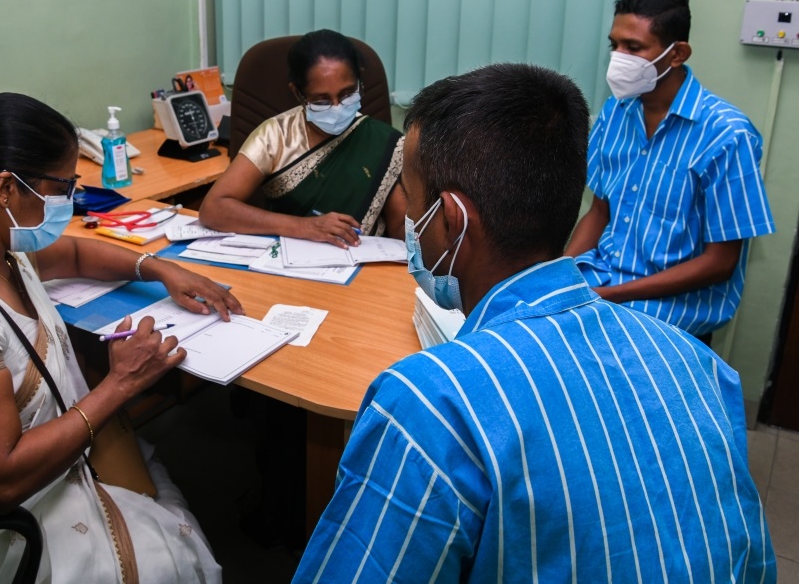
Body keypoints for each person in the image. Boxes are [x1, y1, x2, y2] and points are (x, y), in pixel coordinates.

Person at [294, 64, 775, 582]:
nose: (408, 220)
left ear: (452, 221)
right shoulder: (698, 364)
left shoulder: (429, 406)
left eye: (411, 200)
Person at [0, 92, 242, 583]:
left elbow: (77, 257)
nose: (69, 200)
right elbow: (0, 484)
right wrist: (121, 383)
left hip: (21, 481)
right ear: (5, 188)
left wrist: (159, 268)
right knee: (163, 558)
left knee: (156, 506)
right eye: (62, 186)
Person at [565, 0, 775, 340]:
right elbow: (600, 213)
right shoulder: (616, 113)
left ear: (676, 54)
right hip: (602, 280)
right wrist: (561, 275)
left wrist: (608, 297)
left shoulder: (726, 135)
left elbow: (721, 263)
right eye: (614, 45)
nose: (618, 58)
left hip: (669, 307)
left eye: (633, 48)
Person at [198, 29, 406, 246]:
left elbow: (403, 230)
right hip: (287, 263)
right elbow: (213, 209)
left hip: (364, 267)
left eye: (346, 94)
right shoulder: (274, 136)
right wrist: (304, 227)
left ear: (360, 82)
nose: (336, 107)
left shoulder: (386, 143)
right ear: (298, 93)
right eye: (322, 100)